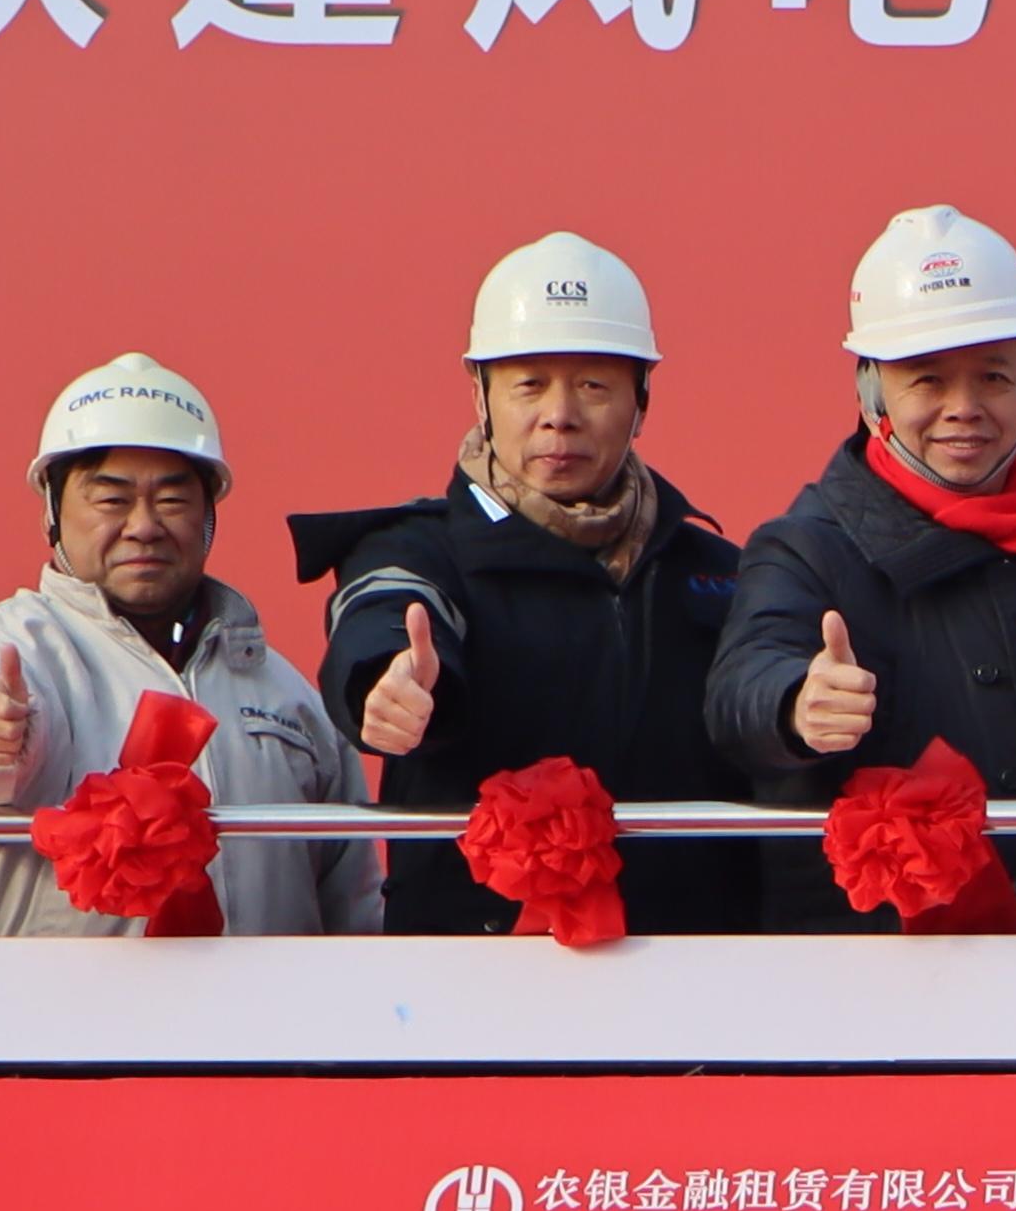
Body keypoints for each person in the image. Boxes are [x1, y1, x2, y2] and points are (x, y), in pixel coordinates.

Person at [707, 206, 1016, 936]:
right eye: (928, 380)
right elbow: (739, 691)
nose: (964, 409)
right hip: (876, 994)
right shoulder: (805, 552)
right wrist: (794, 705)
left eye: (993, 376)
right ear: (872, 392)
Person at [291, 235, 758, 936]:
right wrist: (382, 684)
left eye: (593, 385)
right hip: (476, 977)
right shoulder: (419, 548)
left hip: (691, 974)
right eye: (529, 384)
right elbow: (384, 608)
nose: (559, 414)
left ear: (642, 399)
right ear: (480, 395)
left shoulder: (716, 570)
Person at [0, 353, 375, 936]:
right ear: (52, 512)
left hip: (263, 1000)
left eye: (172, 500)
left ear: (209, 514)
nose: (144, 526)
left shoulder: (283, 692)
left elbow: (354, 903)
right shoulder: (2, 649)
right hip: (54, 1000)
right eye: (111, 499)